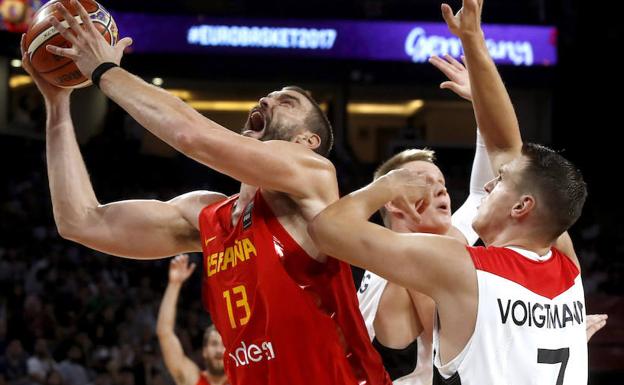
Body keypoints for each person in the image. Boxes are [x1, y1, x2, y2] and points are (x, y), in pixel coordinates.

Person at [24, 1, 391, 383]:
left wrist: (104, 70)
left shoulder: (314, 176)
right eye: (270, 95)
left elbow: (191, 136)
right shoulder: (208, 217)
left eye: (287, 101)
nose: (267, 99)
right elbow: (80, 222)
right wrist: (57, 104)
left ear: (307, 140)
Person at [309, 0, 591, 383]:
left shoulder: (461, 265)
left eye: (502, 182)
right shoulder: (567, 266)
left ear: (523, 206)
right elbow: (506, 148)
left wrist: (389, 183)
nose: (489, 184)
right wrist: (473, 41)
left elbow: (327, 229)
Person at [358, 54, 607, 385]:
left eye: (443, 184)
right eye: (424, 182)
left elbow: (485, 183)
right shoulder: (380, 267)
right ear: (391, 200)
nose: (441, 191)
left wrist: (481, 104)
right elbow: (398, 336)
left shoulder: (450, 243)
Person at [156, 254, 227, 385]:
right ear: (204, 351)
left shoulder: (244, 379)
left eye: (224, 345)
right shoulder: (192, 379)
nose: (219, 350)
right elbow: (165, 333)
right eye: (214, 344)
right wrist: (174, 284)